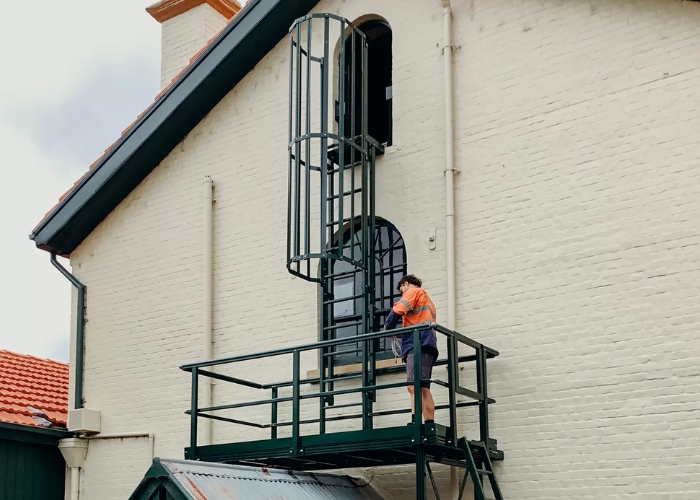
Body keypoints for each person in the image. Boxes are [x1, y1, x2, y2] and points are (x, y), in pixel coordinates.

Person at [384, 274, 438, 424]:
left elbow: (398, 310)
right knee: (423, 387)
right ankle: (429, 423)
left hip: (417, 343)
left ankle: (415, 422)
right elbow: (419, 321)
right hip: (427, 343)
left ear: (406, 284)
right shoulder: (427, 299)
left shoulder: (413, 292)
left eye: (402, 291)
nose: (402, 295)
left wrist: (387, 327)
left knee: (413, 386)